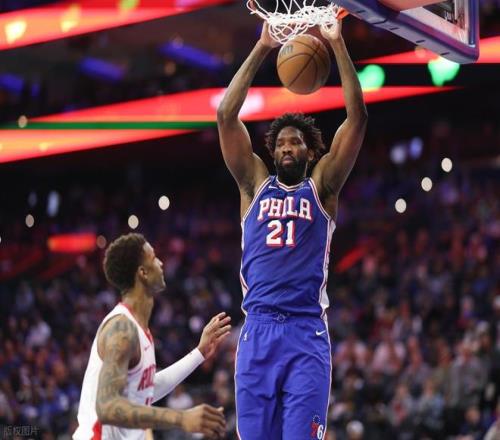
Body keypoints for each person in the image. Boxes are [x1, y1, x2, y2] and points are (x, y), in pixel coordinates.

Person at [216, 13, 367, 440]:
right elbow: (226, 116)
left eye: (295, 142)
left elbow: (357, 119)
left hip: (305, 331)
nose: (287, 146)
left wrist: (337, 44)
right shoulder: (253, 185)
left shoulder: (323, 187)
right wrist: (263, 45)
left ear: (309, 151)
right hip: (257, 329)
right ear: (272, 151)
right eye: (280, 142)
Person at [73, 233, 230, 440]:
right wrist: (181, 418)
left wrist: (199, 353)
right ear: (143, 273)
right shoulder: (121, 329)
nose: (161, 263)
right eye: (154, 258)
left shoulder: (140, 329)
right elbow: (107, 407)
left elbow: (145, 392)